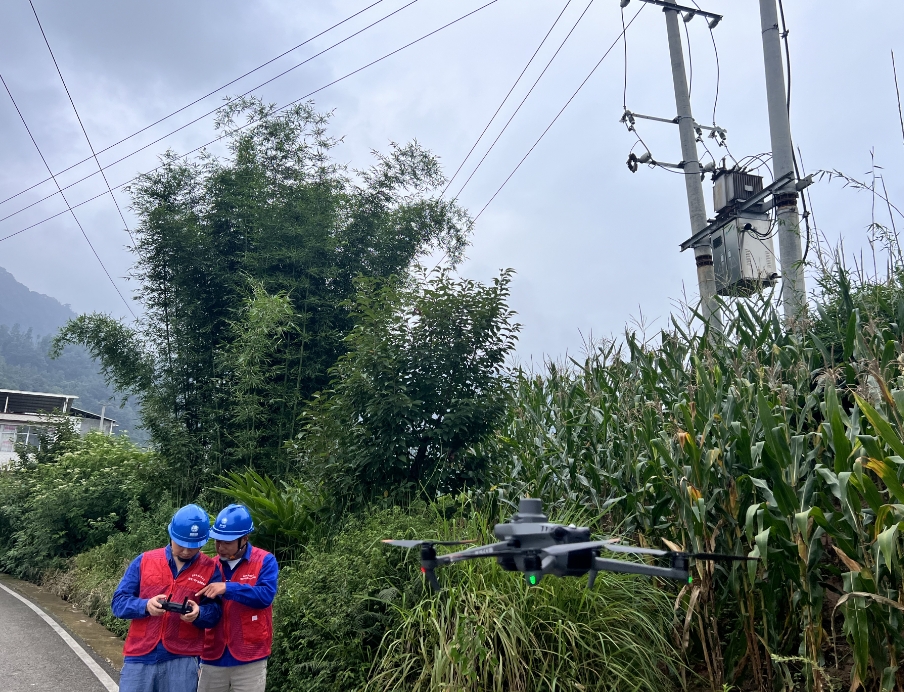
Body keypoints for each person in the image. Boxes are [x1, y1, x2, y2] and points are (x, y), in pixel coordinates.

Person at [112, 504, 222, 692]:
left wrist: (199, 614)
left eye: (193, 547)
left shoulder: (210, 569)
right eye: (181, 545)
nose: (186, 551)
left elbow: (215, 613)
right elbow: (118, 603)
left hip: (183, 659)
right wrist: (145, 605)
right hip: (140, 655)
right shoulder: (145, 560)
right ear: (171, 535)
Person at [195, 504, 278, 692]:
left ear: (244, 539)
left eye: (227, 542)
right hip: (212, 655)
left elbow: (265, 596)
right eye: (217, 541)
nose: (220, 547)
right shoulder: (210, 566)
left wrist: (227, 587)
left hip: (250, 656)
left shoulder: (265, 561)